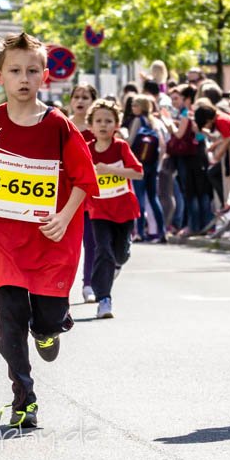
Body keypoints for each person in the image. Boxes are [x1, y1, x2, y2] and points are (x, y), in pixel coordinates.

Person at [0, 31, 98, 429]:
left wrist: (64, 218)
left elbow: (85, 180)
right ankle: (23, 396)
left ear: (45, 76)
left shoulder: (59, 125)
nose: (24, 78)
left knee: (46, 318)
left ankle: (50, 328)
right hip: (4, 242)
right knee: (8, 320)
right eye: (15, 71)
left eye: (32, 70)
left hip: (51, 239)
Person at [85, 99, 143, 318]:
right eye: (98, 121)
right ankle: (104, 299)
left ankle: (119, 261)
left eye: (108, 121)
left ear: (117, 124)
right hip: (99, 210)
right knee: (103, 250)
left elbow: (138, 172)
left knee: (119, 254)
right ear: (90, 126)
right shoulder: (87, 150)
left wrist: (109, 170)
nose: (103, 125)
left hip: (124, 209)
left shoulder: (120, 147)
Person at [68, 83, 98, 302]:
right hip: (68, 196)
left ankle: (88, 284)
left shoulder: (98, 129)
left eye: (85, 97)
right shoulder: (64, 126)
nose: (80, 101)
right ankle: (62, 287)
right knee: (68, 246)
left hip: (93, 197)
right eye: (77, 96)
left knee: (92, 242)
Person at [128, 94, 167, 242]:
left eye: (135, 105)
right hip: (153, 163)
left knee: (139, 198)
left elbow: (131, 141)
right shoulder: (154, 121)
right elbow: (162, 145)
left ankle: (140, 232)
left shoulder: (138, 120)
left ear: (141, 107)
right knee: (153, 197)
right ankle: (162, 231)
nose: (133, 108)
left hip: (140, 163)